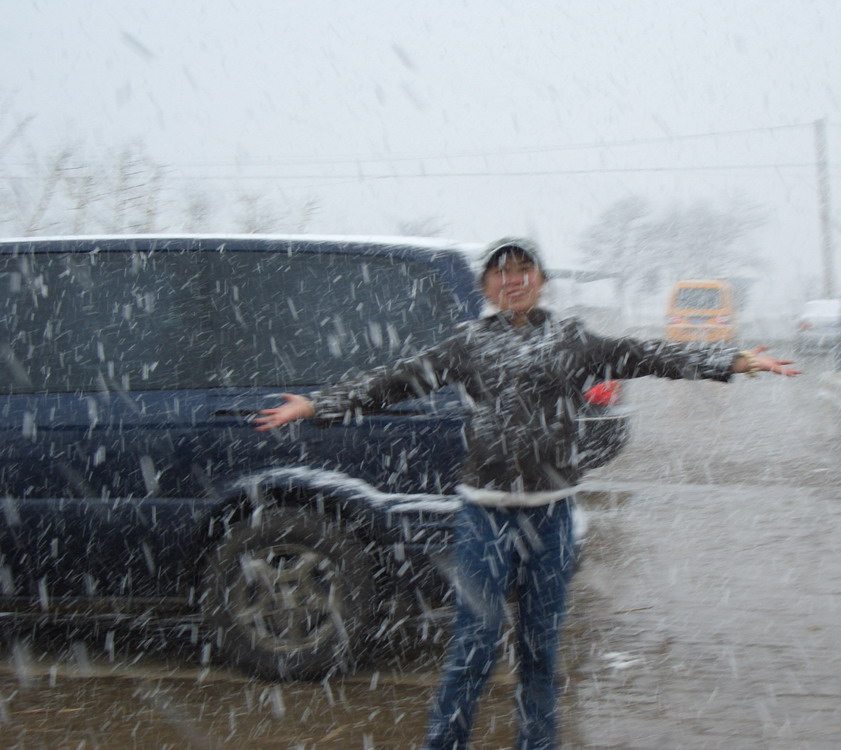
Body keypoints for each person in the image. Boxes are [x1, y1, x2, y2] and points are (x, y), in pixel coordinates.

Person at [255, 237, 800, 750]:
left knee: (540, 652)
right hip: (484, 519)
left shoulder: (573, 341)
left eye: (523, 270)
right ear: (486, 285)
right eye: (500, 271)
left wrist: (729, 360)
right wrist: (319, 404)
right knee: (474, 645)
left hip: (551, 518)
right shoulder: (469, 344)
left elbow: (649, 354)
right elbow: (396, 380)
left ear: (540, 280)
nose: (512, 280)